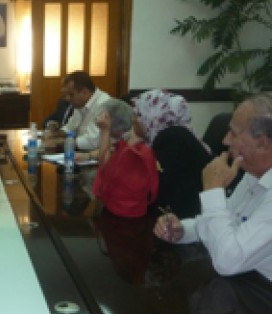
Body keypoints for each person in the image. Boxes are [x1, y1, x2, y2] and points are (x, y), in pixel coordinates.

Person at [154, 92, 272, 280]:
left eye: (233, 133)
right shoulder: (253, 175)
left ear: (262, 144)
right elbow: (226, 223)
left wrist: (213, 190)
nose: (225, 140)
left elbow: (227, 261)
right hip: (246, 282)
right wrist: (183, 230)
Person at [133, 89, 212, 218]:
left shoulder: (171, 140)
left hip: (188, 218)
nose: (135, 120)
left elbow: (155, 190)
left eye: (139, 114)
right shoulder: (176, 133)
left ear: (152, 116)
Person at [92, 98, 159, 217]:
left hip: (124, 214)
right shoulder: (134, 144)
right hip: (129, 210)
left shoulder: (138, 152)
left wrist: (105, 131)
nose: (134, 119)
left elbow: (104, 165)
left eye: (138, 115)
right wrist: (105, 131)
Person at [45, 71, 111, 151]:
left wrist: (59, 142)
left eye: (71, 94)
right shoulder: (80, 104)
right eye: (66, 95)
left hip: (97, 155)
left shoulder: (103, 104)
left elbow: (92, 142)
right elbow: (69, 128)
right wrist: (53, 134)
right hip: (80, 152)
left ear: (84, 92)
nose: (67, 99)